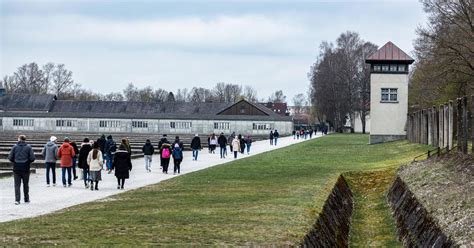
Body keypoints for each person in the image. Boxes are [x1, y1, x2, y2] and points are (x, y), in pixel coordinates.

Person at [9, 135, 35, 205]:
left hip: (16, 168)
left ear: (19, 139)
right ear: (25, 140)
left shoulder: (14, 147)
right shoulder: (29, 147)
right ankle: (26, 199)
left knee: (17, 185)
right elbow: (32, 158)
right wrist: (27, 162)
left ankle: (17, 200)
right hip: (25, 168)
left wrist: (15, 162)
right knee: (25, 184)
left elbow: (10, 157)